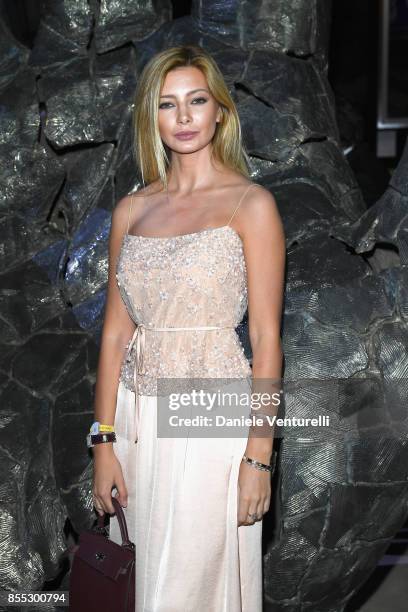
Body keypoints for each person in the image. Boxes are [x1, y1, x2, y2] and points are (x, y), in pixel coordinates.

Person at [90, 44, 286, 611]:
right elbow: (113, 335)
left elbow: (268, 339)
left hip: (211, 417)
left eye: (196, 101)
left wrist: (259, 458)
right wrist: (102, 443)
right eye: (167, 104)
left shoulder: (251, 205)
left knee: (190, 586)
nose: (182, 117)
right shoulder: (131, 210)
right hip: (135, 417)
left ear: (219, 111)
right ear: (150, 116)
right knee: (140, 578)